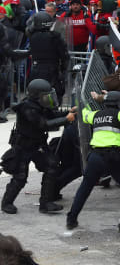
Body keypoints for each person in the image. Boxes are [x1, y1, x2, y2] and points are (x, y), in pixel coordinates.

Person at [66, 91, 120, 236]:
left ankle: (71, 219)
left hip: (95, 157)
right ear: (119, 104)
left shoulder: (96, 115)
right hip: (114, 158)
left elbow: (85, 114)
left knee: (85, 188)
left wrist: (83, 102)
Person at [1, 79, 75, 214]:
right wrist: (66, 120)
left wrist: (69, 112)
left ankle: (46, 202)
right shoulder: (27, 108)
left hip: (38, 145)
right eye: (45, 95)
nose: (48, 98)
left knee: (52, 166)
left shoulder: (39, 105)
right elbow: (44, 124)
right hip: (23, 147)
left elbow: (52, 115)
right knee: (20, 177)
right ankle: (7, 203)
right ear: (36, 95)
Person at [27, 11, 69, 102]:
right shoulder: (55, 37)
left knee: (36, 93)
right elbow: (64, 55)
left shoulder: (33, 36)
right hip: (52, 70)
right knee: (54, 93)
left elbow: (29, 30)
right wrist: (63, 69)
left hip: (36, 69)